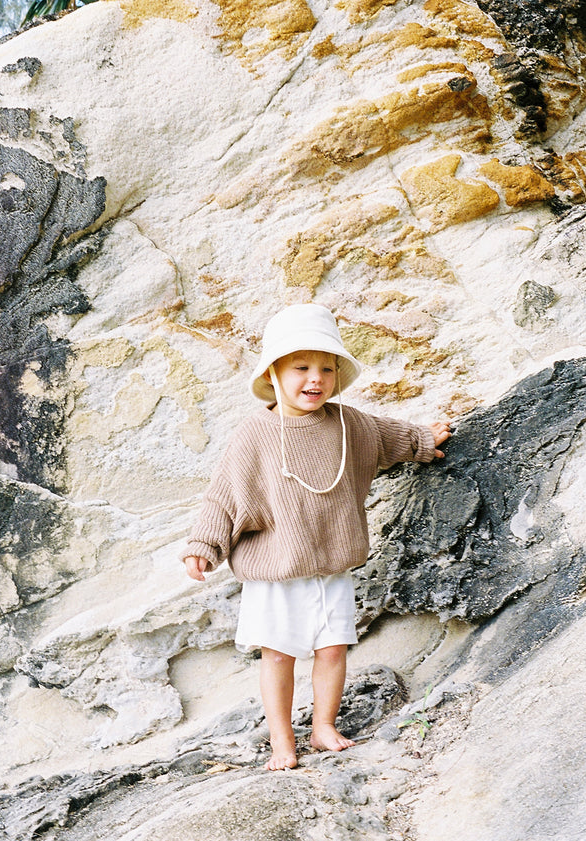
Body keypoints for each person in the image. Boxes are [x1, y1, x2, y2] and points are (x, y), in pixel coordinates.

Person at [182, 304, 451, 770]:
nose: (315, 379)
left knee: (332, 649)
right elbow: (223, 497)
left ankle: (323, 726)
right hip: (277, 572)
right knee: (280, 655)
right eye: (301, 368)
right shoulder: (256, 434)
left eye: (327, 368)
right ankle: (283, 743)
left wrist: (422, 440)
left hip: (332, 565)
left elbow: (389, 438)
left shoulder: (349, 425)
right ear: (273, 372)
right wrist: (204, 545)